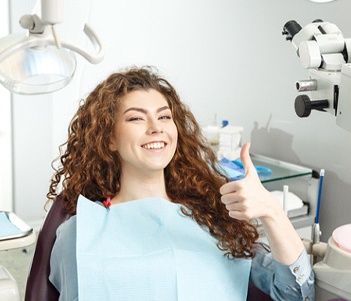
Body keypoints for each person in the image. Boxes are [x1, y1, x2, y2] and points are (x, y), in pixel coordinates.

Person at [48, 66, 315, 300]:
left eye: (164, 116)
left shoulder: (216, 222)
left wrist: (272, 211)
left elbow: (295, 294)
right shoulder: (80, 232)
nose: (156, 128)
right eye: (136, 118)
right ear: (109, 139)